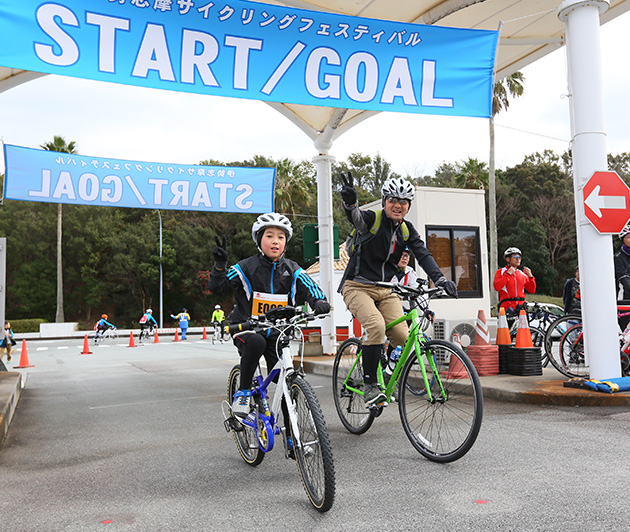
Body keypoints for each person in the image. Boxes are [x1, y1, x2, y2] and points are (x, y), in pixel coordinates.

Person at [339, 173, 458, 406]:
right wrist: (350, 203)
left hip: (387, 289)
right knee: (376, 327)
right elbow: (354, 217)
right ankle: (370, 384)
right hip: (357, 286)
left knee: (404, 337)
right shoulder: (371, 220)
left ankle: (382, 367)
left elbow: (423, 255)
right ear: (385, 201)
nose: (398, 205)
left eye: (404, 201)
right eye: (393, 199)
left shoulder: (406, 230)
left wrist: (441, 280)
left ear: (408, 206)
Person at [209, 213, 331, 417]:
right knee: (256, 342)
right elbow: (218, 288)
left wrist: (318, 301)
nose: (275, 241)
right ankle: (244, 392)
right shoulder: (245, 267)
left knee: (286, 382)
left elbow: (311, 288)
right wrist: (220, 267)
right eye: (269, 235)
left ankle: (293, 443)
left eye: (281, 237)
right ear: (259, 240)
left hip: (277, 333)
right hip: (246, 329)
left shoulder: (293, 270)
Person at [493, 247, 536, 316]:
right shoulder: (501, 272)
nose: (518, 259)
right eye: (515, 257)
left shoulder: (522, 274)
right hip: (507, 308)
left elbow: (532, 290)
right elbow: (497, 287)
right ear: (507, 259)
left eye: (519, 257)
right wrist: (508, 274)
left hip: (521, 308)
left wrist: (531, 276)